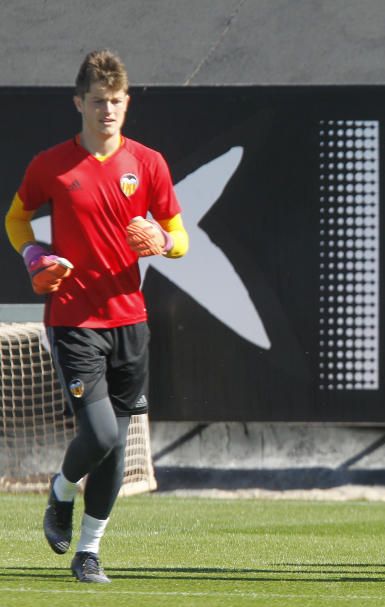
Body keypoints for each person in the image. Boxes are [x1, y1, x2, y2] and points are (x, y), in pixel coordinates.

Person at [4, 49, 189, 583]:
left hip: (130, 320)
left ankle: (89, 552)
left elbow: (179, 235)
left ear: (126, 103)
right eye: (97, 101)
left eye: (116, 101)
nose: (107, 110)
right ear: (78, 103)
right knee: (103, 434)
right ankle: (61, 493)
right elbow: (17, 218)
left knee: (116, 449)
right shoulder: (51, 165)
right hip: (73, 320)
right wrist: (34, 255)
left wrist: (162, 240)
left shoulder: (148, 163)